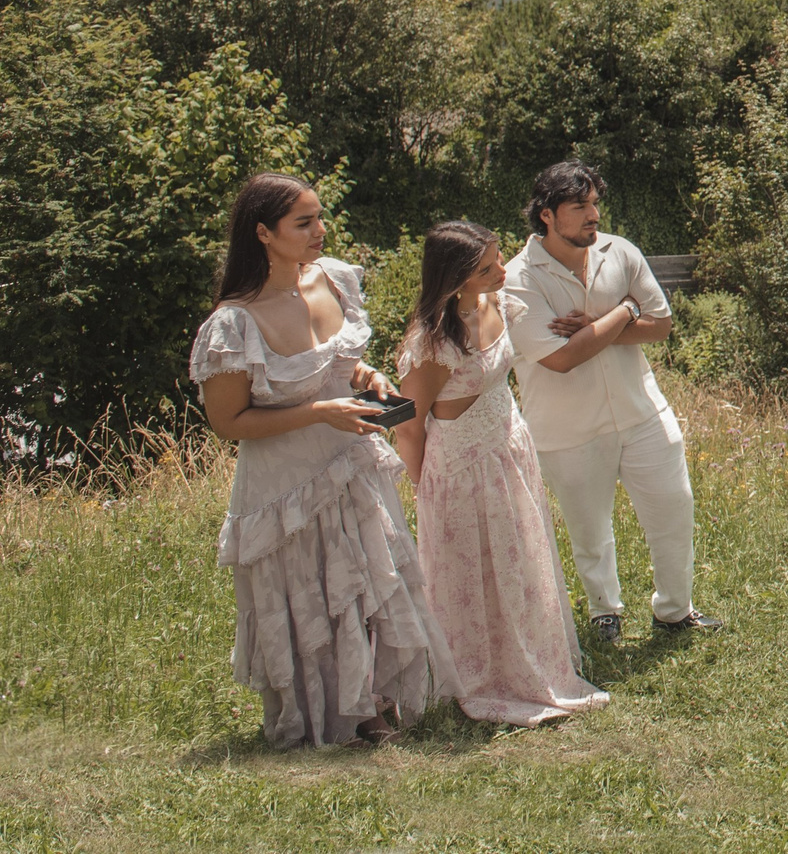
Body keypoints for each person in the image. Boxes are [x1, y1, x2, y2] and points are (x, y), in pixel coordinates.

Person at [188, 172, 453, 747]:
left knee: (367, 583)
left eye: (319, 217)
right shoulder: (233, 323)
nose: (319, 231)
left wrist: (365, 375)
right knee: (313, 592)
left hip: (351, 460)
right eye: (303, 222)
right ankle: (330, 716)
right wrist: (316, 411)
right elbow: (227, 422)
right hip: (285, 486)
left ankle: (374, 704)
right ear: (262, 232)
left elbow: (340, 364)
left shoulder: (334, 280)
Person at [395, 221, 609, 726]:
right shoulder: (431, 344)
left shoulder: (498, 304)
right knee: (472, 567)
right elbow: (409, 425)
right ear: (458, 276)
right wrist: (425, 483)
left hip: (509, 447)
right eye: (488, 264)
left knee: (519, 556)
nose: (500, 268)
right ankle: (478, 674)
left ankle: (532, 659)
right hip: (461, 464)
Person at [501, 161, 720, 642]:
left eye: (595, 204)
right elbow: (561, 359)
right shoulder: (518, 278)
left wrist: (595, 326)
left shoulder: (619, 252)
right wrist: (623, 311)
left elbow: (661, 326)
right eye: (580, 207)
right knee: (589, 529)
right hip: (567, 426)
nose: (593, 215)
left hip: (642, 411)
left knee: (673, 508)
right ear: (546, 216)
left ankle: (675, 610)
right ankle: (605, 610)